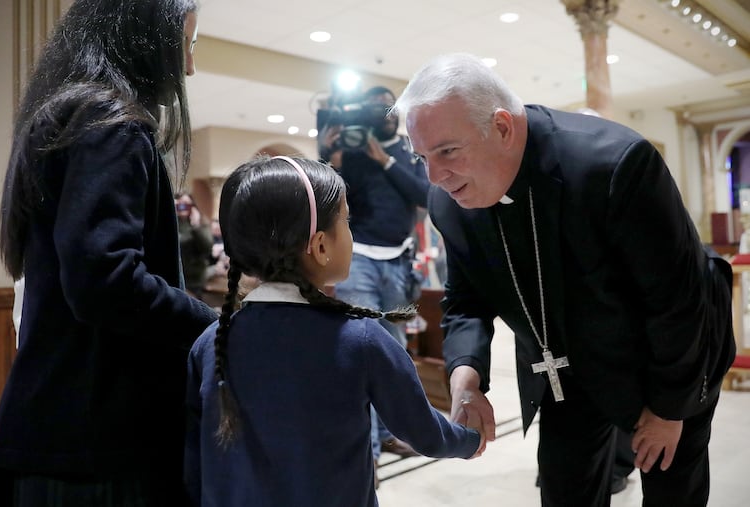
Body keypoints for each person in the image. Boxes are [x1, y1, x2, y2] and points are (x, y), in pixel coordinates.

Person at [393, 52, 736, 507]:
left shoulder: (614, 165)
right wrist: (466, 374)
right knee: (564, 490)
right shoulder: (449, 202)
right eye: (421, 156)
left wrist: (670, 410)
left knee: (672, 487)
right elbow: (466, 299)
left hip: (669, 356)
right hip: (563, 367)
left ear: (501, 127)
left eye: (447, 151)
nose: (434, 176)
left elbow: (677, 301)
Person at [0, 1, 218, 505]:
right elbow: (105, 279)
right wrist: (217, 325)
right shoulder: (110, 122)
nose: (189, 66)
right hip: (99, 445)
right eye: (188, 44)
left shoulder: (67, 114)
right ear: (145, 34)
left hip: (57, 433)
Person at [183, 156, 484, 507]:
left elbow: (194, 456)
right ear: (322, 245)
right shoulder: (362, 340)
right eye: (347, 220)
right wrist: (470, 439)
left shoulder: (211, 342)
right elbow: (424, 433)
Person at [318, 85, 430, 463]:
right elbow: (329, 196)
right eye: (377, 109)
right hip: (360, 259)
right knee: (363, 351)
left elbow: (425, 197)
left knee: (394, 353)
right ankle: (367, 450)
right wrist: (328, 155)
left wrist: (385, 161)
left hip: (399, 260)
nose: (387, 114)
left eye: (391, 107)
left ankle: (390, 434)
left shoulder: (409, 150)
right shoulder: (349, 151)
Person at [176, 192, 214, 297]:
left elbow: (207, 247)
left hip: (195, 280)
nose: (183, 207)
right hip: (175, 276)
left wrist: (196, 225)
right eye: (180, 204)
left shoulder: (200, 222)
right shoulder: (171, 221)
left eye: (186, 204)